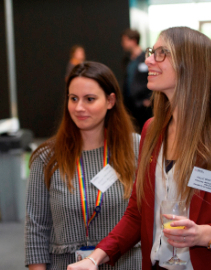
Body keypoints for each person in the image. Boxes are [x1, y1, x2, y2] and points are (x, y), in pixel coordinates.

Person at [67, 27, 211, 270]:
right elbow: (137, 214)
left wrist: (206, 234)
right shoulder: (152, 130)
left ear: (191, 64)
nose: (149, 59)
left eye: (162, 53)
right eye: (153, 51)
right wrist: (95, 257)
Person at [24, 61, 142, 270]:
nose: (79, 108)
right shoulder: (46, 157)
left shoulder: (136, 148)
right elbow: (36, 229)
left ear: (110, 100)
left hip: (125, 263)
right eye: (73, 99)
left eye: (89, 99)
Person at [121, 28, 152, 132]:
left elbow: (151, 78)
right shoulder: (127, 59)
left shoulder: (146, 58)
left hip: (143, 106)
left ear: (133, 41)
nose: (123, 44)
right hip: (130, 105)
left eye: (125, 41)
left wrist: (149, 99)